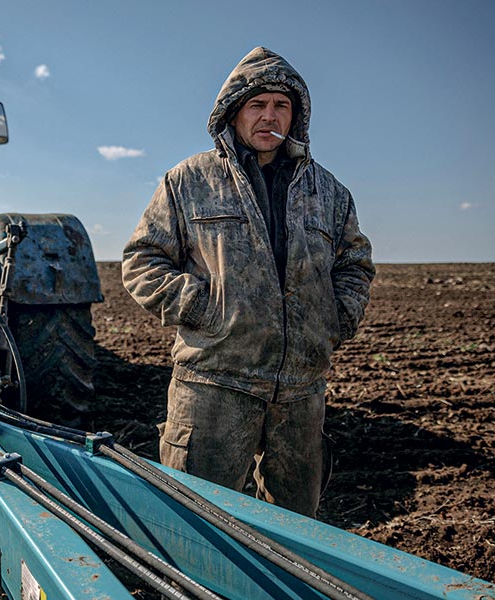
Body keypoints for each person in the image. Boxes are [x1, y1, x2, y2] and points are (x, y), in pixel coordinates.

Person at [121, 47, 374, 518]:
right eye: (257, 105)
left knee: (296, 529)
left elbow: (355, 264)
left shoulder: (329, 192)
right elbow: (142, 261)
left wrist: (335, 318)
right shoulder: (189, 181)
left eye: (281, 105)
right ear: (234, 112)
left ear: (296, 116)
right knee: (198, 524)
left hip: (300, 391)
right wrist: (206, 308)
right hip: (214, 383)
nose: (269, 116)